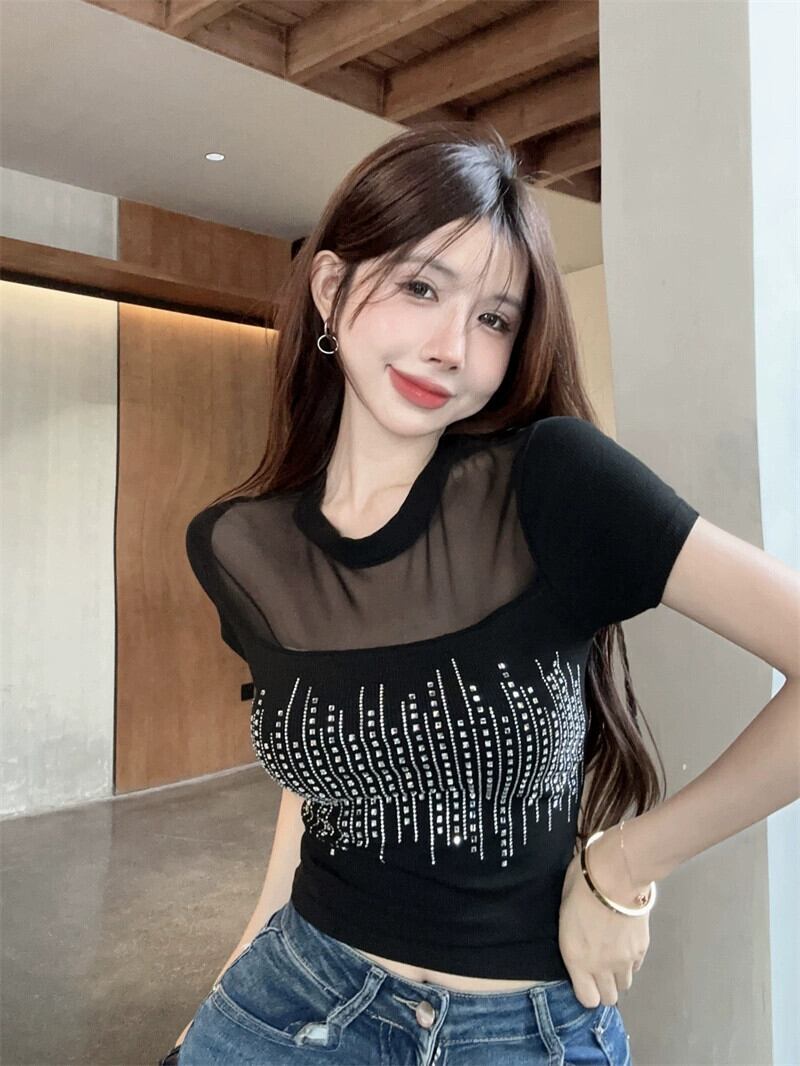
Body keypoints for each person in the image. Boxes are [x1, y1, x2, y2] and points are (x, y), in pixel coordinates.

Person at [162, 122, 799, 1065]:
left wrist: (626, 863)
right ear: (331, 288)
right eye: (422, 288)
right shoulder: (239, 546)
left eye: (494, 318)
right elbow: (322, 785)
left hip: (520, 1031)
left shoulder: (553, 483)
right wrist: (227, 988)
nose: (452, 347)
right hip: (288, 1003)